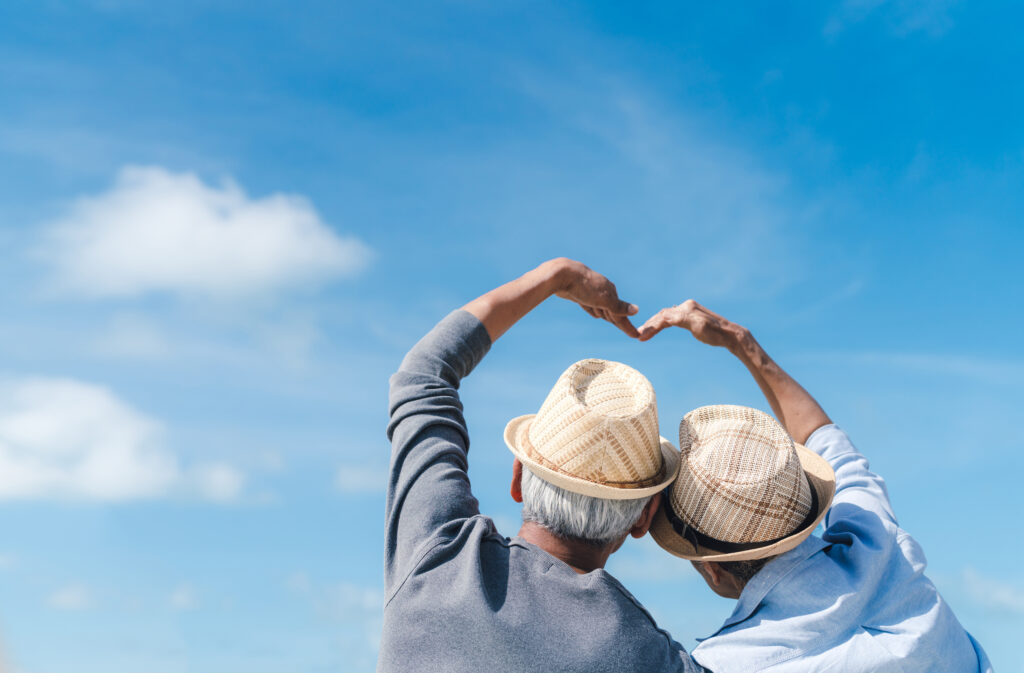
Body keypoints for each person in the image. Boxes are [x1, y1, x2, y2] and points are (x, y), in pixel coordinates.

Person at [379, 258, 704, 673]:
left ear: (518, 478)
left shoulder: (438, 558)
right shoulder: (648, 654)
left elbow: (424, 374)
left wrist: (558, 276)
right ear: (643, 518)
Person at [637, 299, 993, 673]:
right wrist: (741, 342)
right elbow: (827, 441)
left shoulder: (729, 663)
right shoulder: (877, 543)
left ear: (713, 571)